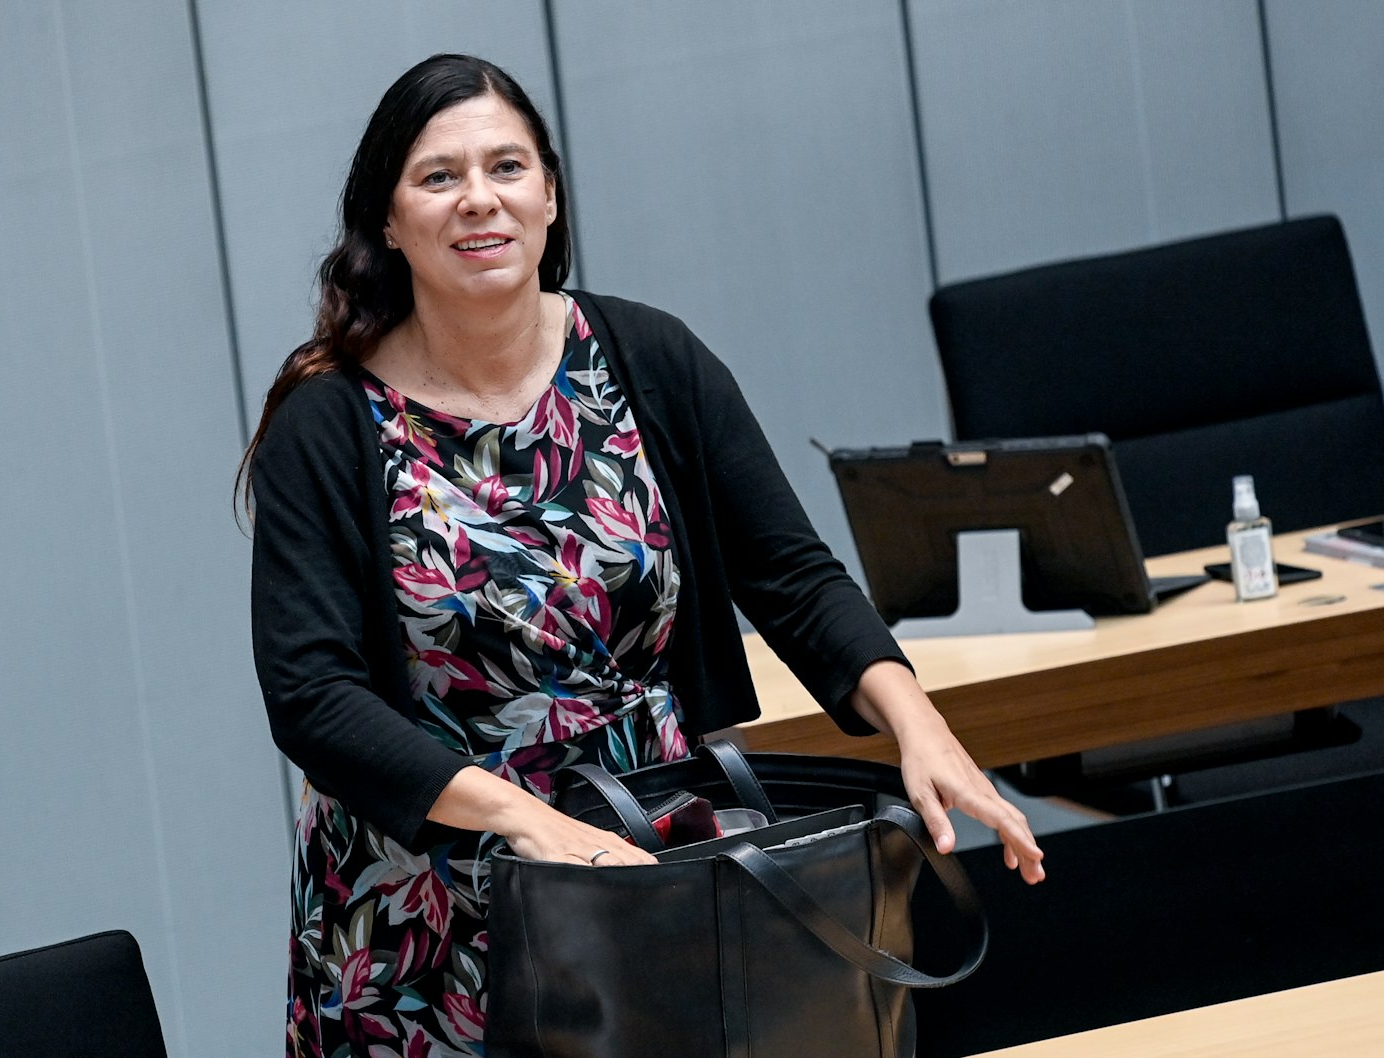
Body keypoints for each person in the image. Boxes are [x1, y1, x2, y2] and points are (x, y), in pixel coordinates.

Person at [242, 52, 1045, 1058]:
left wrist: (917, 725)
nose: (478, 200)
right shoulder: (329, 423)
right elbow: (313, 695)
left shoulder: (645, 357)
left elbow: (792, 575)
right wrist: (526, 822)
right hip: (426, 908)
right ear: (389, 221)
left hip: (644, 862)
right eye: (437, 176)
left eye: (507, 166)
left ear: (549, 196)